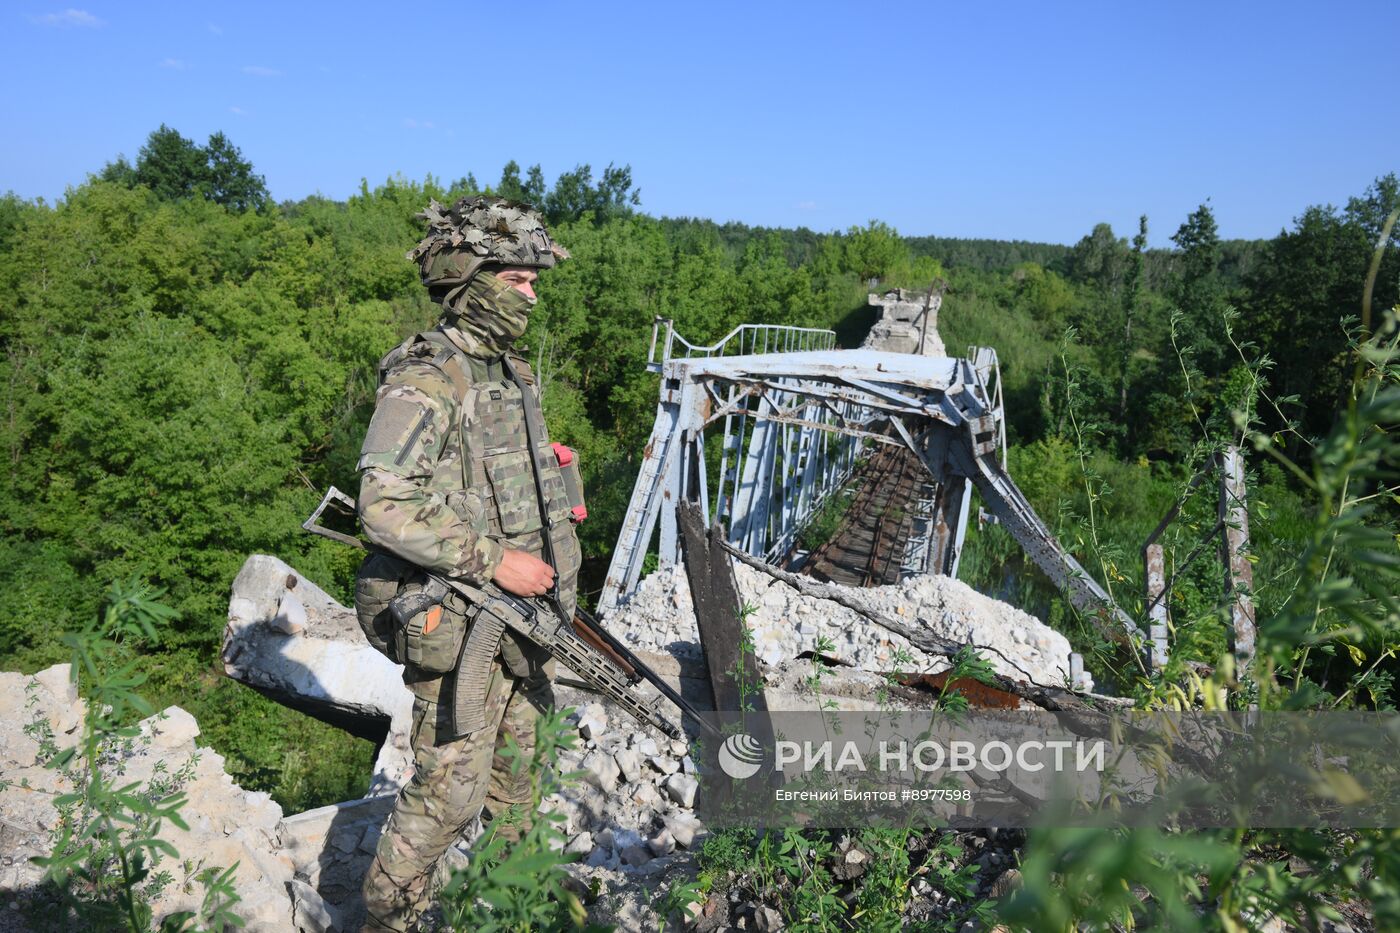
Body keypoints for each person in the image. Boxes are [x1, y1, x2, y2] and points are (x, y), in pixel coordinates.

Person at [356, 196, 582, 932]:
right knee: (449, 797)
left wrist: (549, 475)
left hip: (523, 623)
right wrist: (494, 560)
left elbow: (479, 474)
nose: (532, 294)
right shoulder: (427, 377)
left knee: (520, 784)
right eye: (519, 279)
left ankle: (509, 906)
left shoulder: (507, 372)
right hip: (461, 629)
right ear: (473, 278)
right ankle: (390, 917)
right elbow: (382, 504)